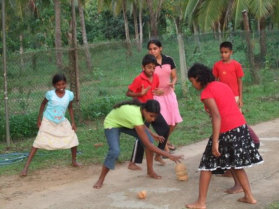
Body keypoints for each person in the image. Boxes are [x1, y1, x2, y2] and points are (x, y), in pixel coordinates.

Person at [186, 63, 263, 209]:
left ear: (198, 78)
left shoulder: (206, 93)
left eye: (192, 81)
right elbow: (228, 107)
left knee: (207, 165)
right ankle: (249, 197)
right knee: (236, 164)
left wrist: (215, 141)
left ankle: (201, 203)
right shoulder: (222, 85)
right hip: (241, 126)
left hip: (227, 130)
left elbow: (216, 116)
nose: (193, 84)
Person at [93, 100, 183, 189]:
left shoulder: (141, 111)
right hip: (112, 124)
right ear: (145, 110)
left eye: (155, 117)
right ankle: (101, 179)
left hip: (127, 123)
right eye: (151, 116)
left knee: (150, 140)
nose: (153, 119)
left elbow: (140, 124)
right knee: (115, 151)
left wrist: (152, 134)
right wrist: (169, 155)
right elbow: (147, 144)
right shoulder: (135, 114)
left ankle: (150, 171)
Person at [212, 41, 261, 194]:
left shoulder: (236, 65)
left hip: (234, 97)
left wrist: (240, 97)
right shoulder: (217, 65)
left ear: (231, 52)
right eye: (221, 52)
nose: (223, 54)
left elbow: (240, 81)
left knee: (233, 129)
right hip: (223, 98)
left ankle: (236, 171)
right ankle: (229, 168)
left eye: (226, 52)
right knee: (228, 130)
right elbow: (215, 81)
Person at [20, 73, 80, 176]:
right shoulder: (50, 94)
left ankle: (74, 161)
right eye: (58, 85)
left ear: (65, 83)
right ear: (54, 85)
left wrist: (73, 122)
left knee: (73, 138)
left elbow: (70, 108)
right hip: (48, 121)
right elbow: (43, 104)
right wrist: (39, 119)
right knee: (37, 143)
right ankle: (25, 168)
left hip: (61, 121)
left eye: (63, 84)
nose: (61, 87)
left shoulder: (69, 95)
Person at [127, 54, 170, 170]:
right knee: (141, 136)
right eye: (149, 67)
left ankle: (159, 154)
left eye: (153, 67)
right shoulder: (138, 79)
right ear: (143, 67)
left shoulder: (155, 77)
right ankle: (132, 163)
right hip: (141, 111)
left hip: (152, 108)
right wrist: (139, 94)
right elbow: (128, 93)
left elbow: (154, 90)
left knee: (165, 128)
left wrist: (158, 92)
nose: (151, 70)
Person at [147, 39, 183, 152]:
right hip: (157, 97)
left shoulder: (169, 59)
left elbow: (174, 76)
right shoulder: (148, 63)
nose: (152, 51)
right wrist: (155, 90)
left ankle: (164, 141)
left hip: (170, 95)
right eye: (150, 49)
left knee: (175, 121)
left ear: (160, 48)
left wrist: (173, 82)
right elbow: (147, 80)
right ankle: (164, 149)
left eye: (155, 48)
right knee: (163, 123)